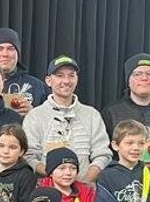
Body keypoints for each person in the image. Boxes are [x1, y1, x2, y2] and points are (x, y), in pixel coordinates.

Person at [23, 55, 112, 183]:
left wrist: (84, 183)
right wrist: (57, 178)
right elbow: (29, 155)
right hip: (46, 193)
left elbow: (102, 154)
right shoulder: (35, 116)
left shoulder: (92, 115)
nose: (66, 81)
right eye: (60, 76)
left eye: (71, 75)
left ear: (77, 79)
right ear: (48, 81)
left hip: (84, 192)